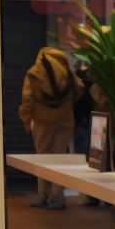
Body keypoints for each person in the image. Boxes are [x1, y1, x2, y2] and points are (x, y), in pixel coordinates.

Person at [19, 47, 84, 209]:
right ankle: (58, 196)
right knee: (59, 157)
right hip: (65, 119)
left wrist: (26, 119)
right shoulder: (68, 72)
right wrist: (67, 106)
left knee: (42, 156)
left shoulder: (34, 72)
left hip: (42, 121)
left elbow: (28, 98)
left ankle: (43, 194)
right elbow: (79, 88)